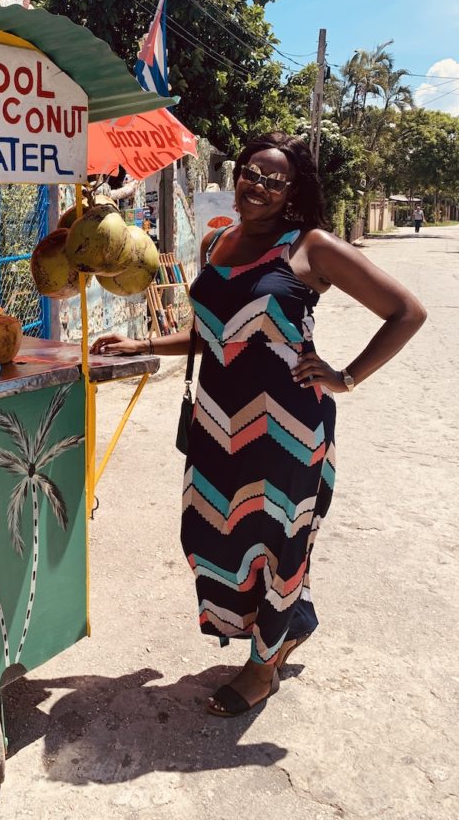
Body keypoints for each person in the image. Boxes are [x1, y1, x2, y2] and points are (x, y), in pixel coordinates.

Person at [92, 132, 426, 717]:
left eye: (275, 180)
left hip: (288, 431)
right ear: (238, 172)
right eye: (252, 172)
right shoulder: (217, 241)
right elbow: (216, 332)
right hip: (216, 424)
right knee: (211, 537)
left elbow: (407, 312)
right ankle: (292, 621)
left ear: (293, 191)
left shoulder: (310, 247)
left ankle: (261, 666)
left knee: (276, 547)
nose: (259, 186)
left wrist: (346, 376)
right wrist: (141, 342)